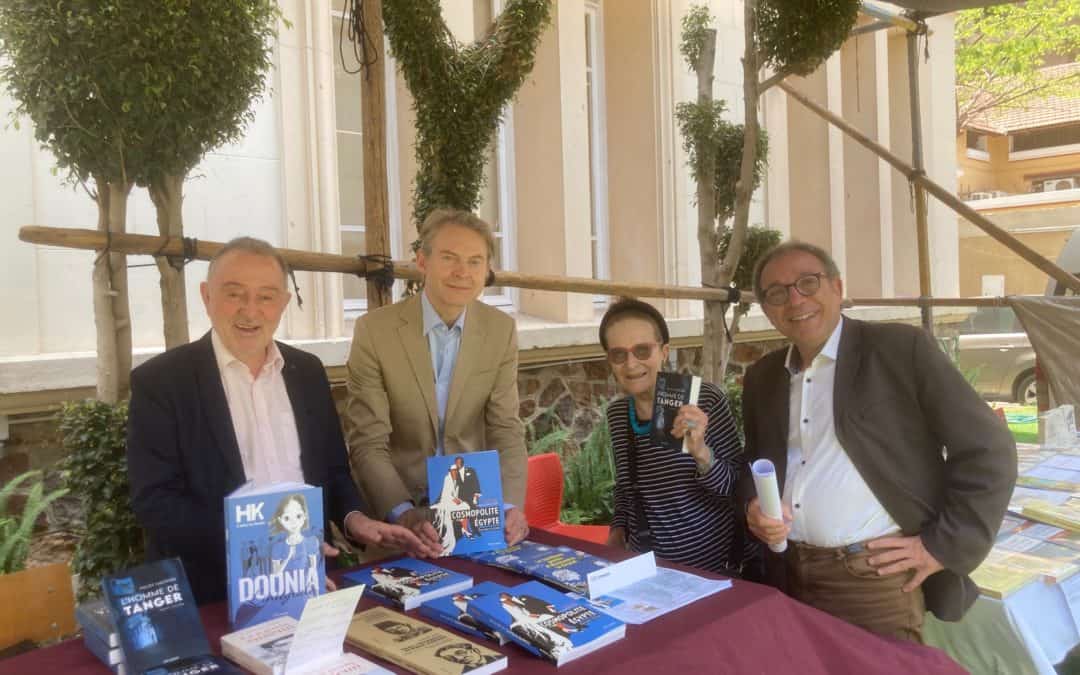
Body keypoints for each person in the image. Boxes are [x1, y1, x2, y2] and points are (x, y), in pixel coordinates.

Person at [126, 237, 436, 604]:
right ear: (207, 297)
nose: (250, 310)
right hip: (213, 593)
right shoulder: (162, 382)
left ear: (284, 303)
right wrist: (267, 548)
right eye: (234, 294)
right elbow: (155, 502)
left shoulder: (306, 371)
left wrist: (356, 520)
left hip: (314, 581)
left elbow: (333, 471)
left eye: (266, 297)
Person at [741, 240, 1017, 642]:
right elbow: (755, 460)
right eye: (778, 293)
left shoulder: (899, 349)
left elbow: (987, 449)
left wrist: (942, 545)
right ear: (767, 309)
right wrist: (753, 504)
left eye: (808, 282)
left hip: (872, 578)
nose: (795, 299)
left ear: (837, 287)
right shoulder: (763, 377)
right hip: (786, 573)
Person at [343, 209, 528, 550]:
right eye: (449, 258)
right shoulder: (375, 332)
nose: (462, 272)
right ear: (422, 262)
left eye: (475, 261)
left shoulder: (501, 330)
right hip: (398, 522)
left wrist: (511, 505)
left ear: (486, 270)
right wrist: (402, 513)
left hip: (474, 514)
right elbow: (368, 442)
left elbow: (506, 428)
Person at [600, 298, 755, 575]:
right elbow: (627, 488)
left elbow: (738, 488)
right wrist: (616, 532)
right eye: (619, 355)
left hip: (714, 570)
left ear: (664, 351)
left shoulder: (704, 400)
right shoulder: (619, 414)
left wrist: (702, 454)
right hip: (652, 570)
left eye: (642, 350)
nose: (631, 364)